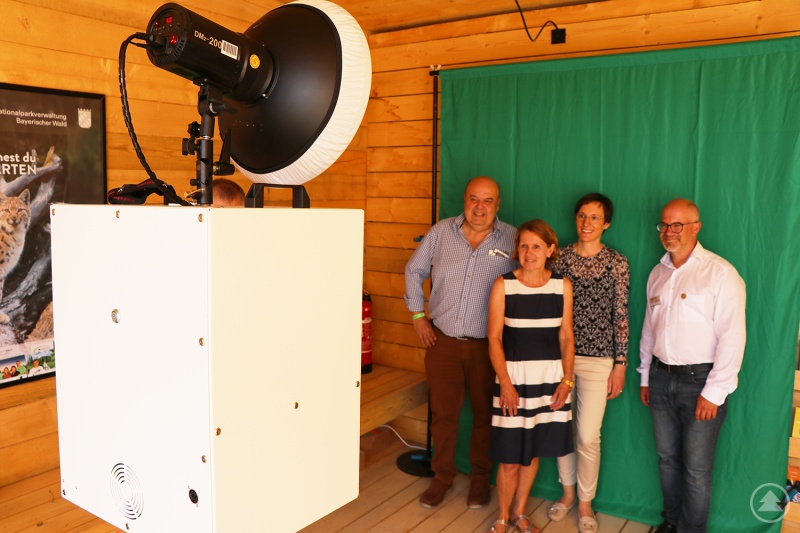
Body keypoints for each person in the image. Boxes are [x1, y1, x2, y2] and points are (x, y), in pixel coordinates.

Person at [405, 176, 517, 510]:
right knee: (443, 415)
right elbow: (414, 271)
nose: (479, 207)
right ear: (465, 200)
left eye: (487, 201)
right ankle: (441, 478)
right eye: (474, 199)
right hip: (443, 343)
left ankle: (480, 481)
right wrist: (417, 316)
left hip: (489, 347)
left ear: (498, 205)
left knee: (486, 416)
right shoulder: (440, 232)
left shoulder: (512, 238)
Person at [638, 198, 746, 533]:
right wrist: (644, 375)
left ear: (696, 227)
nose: (669, 232)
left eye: (677, 225)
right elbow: (648, 329)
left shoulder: (721, 273)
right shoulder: (657, 273)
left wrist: (714, 393)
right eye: (664, 225)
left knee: (696, 470)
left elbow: (733, 336)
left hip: (701, 382)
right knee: (668, 460)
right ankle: (671, 524)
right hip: (659, 378)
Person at [548, 193, 630, 532]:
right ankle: (568, 494)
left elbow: (620, 314)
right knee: (561, 430)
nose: (587, 223)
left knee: (587, 435)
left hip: (599, 361)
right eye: (582, 216)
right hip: (559, 357)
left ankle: (586, 501)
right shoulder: (561, 258)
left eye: (595, 218)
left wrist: (621, 363)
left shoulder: (617, 263)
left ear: (606, 223)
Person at [487, 219, 575, 533]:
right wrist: (506, 384)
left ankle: (519, 514)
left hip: (548, 382)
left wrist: (567, 380)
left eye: (536, 246)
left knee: (532, 453)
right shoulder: (503, 284)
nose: (529, 252)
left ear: (550, 249)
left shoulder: (562, 286)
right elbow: (494, 338)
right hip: (513, 380)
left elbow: (566, 336)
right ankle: (501, 518)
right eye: (523, 245)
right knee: (510, 456)